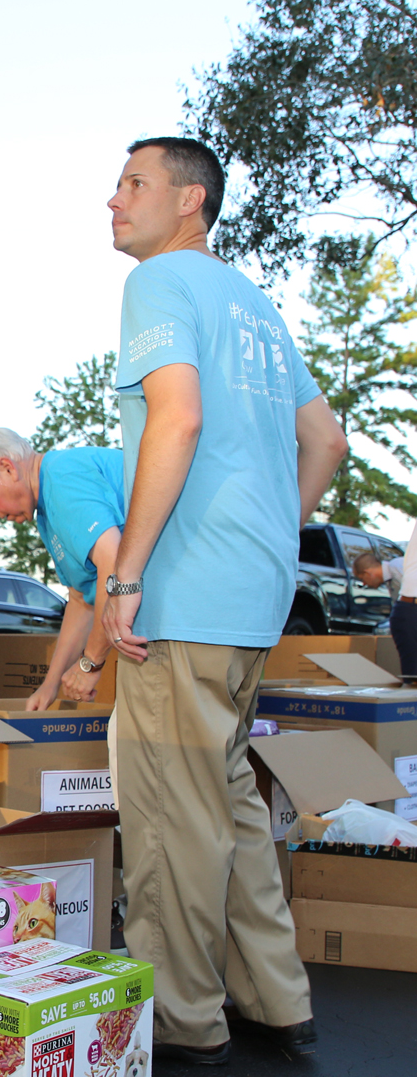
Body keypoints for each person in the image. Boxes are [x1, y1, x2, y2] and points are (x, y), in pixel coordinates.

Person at [100, 137, 348, 1064]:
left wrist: (127, 572)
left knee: (169, 819)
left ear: (190, 201)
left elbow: (180, 416)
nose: (113, 199)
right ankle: (277, 1000)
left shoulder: (159, 284)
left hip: (186, 592)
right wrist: (271, 533)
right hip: (252, 594)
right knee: (231, 801)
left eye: (134, 183)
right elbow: (325, 441)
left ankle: (183, 1024)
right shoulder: (256, 304)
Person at [0, 428, 125, 710]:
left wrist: (90, 663)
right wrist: (50, 685)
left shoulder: (62, 481)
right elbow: (82, 600)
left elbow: (115, 567)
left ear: (7, 468)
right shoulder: (47, 507)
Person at [355, 538, 417, 680]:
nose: (365, 583)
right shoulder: (391, 582)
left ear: (368, 573)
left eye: (362, 579)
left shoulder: (397, 566)